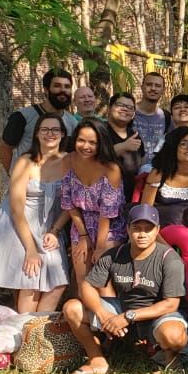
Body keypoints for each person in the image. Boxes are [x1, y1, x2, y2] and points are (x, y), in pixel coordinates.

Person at [62, 204, 188, 374]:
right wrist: (102, 314)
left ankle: (170, 358)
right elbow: (87, 286)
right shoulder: (115, 254)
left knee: (174, 335)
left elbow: (171, 304)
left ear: (157, 230)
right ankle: (97, 359)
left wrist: (128, 317)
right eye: (137, 228)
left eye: (148, 229)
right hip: (122, 307)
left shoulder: (169, 259)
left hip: (156, 315)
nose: (142, 234)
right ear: (128, 229)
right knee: (72, 309)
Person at [0, 112, 71, 313]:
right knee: (31, 280)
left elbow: (72, 202)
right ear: (36, 134)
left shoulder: (69, 161)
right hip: (18, 225)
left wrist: (55, 230)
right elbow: (16, 208)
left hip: (50, 226)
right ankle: (25, 331)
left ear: (63, 134)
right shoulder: (25, 161)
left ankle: (35, 332)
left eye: (55, 129)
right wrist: (30, 249)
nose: (50, 134)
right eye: (44, 129)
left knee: (58, 282)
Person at [60, 119, 126, 279]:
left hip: (110, 226)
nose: (86, 146)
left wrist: (100, 246)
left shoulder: (111, 168)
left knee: (101, 278)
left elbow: (107, 211)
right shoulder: (68, 161)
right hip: (81, 223)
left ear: (101, 143)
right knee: (82, 277)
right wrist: (83, 236)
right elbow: (68, 202)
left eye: (92, 142)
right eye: (81, 140)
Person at [0, 68, 78, 175]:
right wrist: (15, 177)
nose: (63, 90)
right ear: (46, 89)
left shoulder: (72, 123)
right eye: (57, 86)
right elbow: (5, 149)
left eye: (67, 87)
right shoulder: (23, 117)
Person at [142, 126, 188, 242]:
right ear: (174, 148)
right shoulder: (158, 173)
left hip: (185, 234)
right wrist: (164, 246)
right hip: (153, 233)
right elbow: (145, 213)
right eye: (184, 144)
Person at [101, 92, 144, 201]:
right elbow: (93, 159)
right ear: (110, 108)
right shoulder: (99, 131)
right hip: (102, 198)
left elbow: (140, 166)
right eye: (121, 105)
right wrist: (123, 146)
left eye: (130, 107)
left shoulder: (135, 136)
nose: (125, 109)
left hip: (129, 199)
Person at [132, 71, 170, 164]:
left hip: (156, 173)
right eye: (149, 84)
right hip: (131, 173)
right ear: (142, 87)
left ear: (163, 90)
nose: (153, 88)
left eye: (157, 86)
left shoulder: (166, 116)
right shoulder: (129, 113)